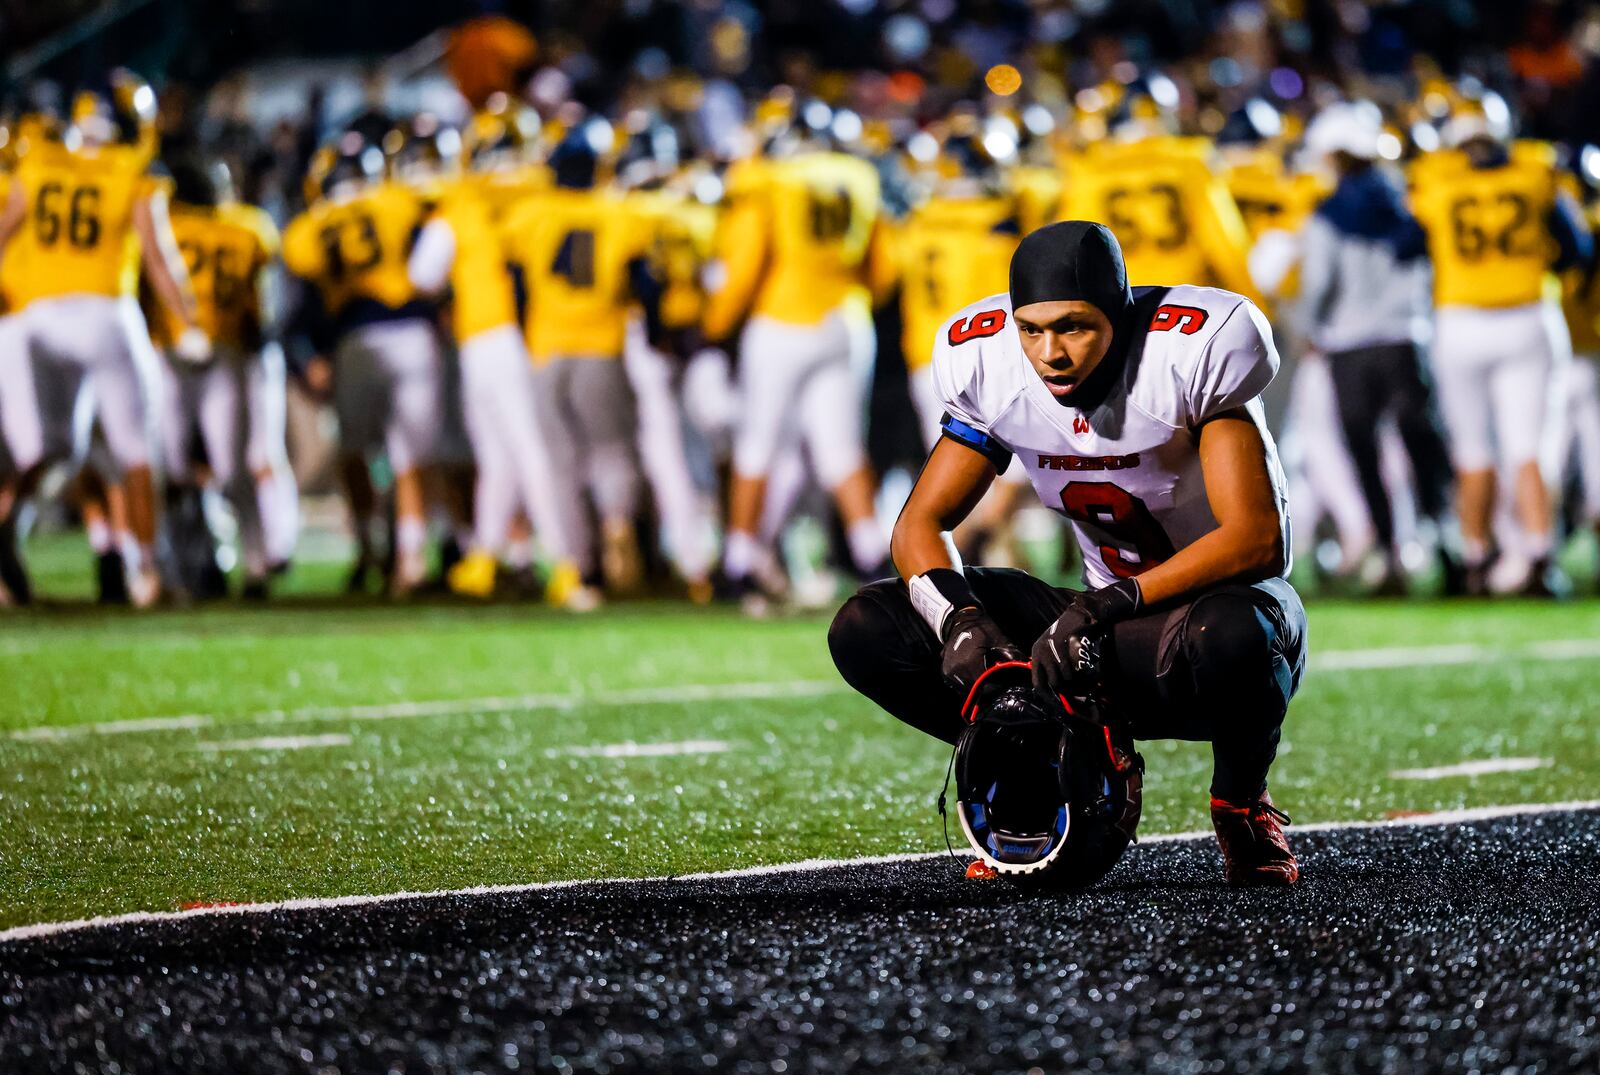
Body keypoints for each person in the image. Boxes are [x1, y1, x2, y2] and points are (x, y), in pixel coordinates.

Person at [829, 221, 1307, 887]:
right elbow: (919, 524)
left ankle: (1240, 805)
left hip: (1189, 621)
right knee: (868, 625)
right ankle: (1052, 762)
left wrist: (1112, 602)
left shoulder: (1189, 352)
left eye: (1074, 327)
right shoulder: (993, 366)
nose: (1049, 351)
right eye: (1031, 328)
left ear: (1121, 313)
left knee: (1231, 631)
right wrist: (959, 621)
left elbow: (1258, 539)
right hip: (1090, 624)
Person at [0, 73, 207, 607]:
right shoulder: (131, 171)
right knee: (136, 451)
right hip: (104, 313)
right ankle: (146, 573)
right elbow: (159, 259)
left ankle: (7, 527)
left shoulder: (41, 162)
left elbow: (4, 228)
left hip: (38, 321)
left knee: (47, 451)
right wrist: (188, 319)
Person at [1409, 94, 1592, 595]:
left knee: (1472, 453)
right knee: (1528, 450)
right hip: (1527, 315)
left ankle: (1475, 560)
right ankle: (1537, 558)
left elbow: (1408, 242)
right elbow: (1576, 248)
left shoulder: (1435, 180)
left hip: (1460, 320)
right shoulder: (1535, 173)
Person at [1296, 102, 1457, 594]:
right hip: (1405, 337)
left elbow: (1320, 282)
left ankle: (1390, 555)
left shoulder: (1328, 214)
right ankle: (1447, 541)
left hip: (1350, 345)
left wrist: (1308, 328)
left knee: (1365, 452)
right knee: (1420, 443)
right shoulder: (1405, 201)